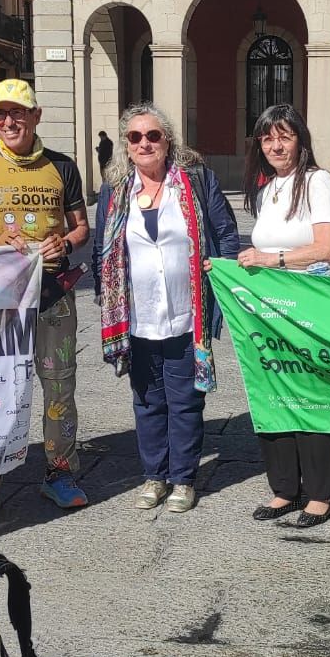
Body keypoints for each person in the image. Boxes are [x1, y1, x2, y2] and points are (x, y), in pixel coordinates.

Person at [93, 102, 241, 513]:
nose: (145, 143)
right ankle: (154, 475)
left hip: (186, 314)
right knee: (147, 401)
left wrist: (222, 271)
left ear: (167, 140)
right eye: (136, 137)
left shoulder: (195, 182)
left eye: (153, 135)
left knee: (186, 400)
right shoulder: (116, 190)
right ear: (126, 145)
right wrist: (106, 300)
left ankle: (183, 479)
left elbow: (226, 234)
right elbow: (102, 249)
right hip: (137, 318)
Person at [0, 78, 91, 519]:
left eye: (17, 113)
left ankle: (59, 472)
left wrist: (64, 245)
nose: (8, 122)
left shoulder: (63, 166)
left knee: (59, 387)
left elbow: (81, 227)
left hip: (52, 295)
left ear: (36, 116)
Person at [235, 104, 330, 528]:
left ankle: (319, 493)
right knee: (273, 390)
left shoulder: (317, 181)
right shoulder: (265, 189)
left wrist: (271, 258)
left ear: (301, 138)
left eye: (284, 136)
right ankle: (284, 488)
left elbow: (327, 247)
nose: (276, 146)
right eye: (267, 138)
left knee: (310, 394)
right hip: (269, 310)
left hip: (308, 305)